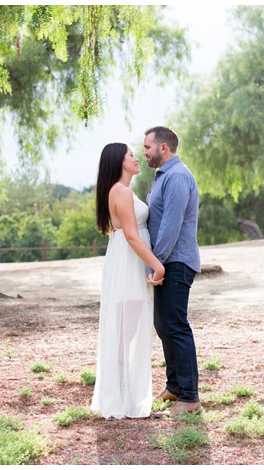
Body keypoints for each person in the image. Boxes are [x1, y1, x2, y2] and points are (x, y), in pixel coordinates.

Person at [91, 142, 165, 419]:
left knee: (129, 330)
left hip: (129, 260)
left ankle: (126, 396)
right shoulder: (120, 192)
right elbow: (132, 235)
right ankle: (122, 398)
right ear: (119, 161)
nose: (136, 158)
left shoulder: (123, 191)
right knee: (126, 332)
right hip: (128, 262)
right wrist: (158, 267)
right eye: (131, 155)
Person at [143, 126, 202, 415]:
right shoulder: (164, 176)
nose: (144, 152)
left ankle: (190, 398)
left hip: (174, 262)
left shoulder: (177, 177)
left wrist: (157, 263)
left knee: (176, 326)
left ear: (163, 147)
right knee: (164, 325)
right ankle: (175, 386)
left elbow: (171, 225)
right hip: (166, 262)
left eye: (147, 147)